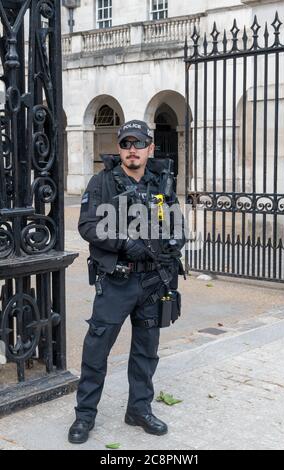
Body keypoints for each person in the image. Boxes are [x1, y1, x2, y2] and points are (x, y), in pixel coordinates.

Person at [68, 120, 186, 444]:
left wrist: (175, 243)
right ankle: (85, 416)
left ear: (150, 148)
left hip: (152, 282)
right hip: (117, 281)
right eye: (125, 144)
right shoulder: (102, 182)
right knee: (97, 348)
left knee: (147, 350)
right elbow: (88, 225)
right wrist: (122, 242)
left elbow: (176, 222)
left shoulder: (162, 183)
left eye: (138, 144)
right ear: (119, 148)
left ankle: (139, 409)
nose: (131, 150)